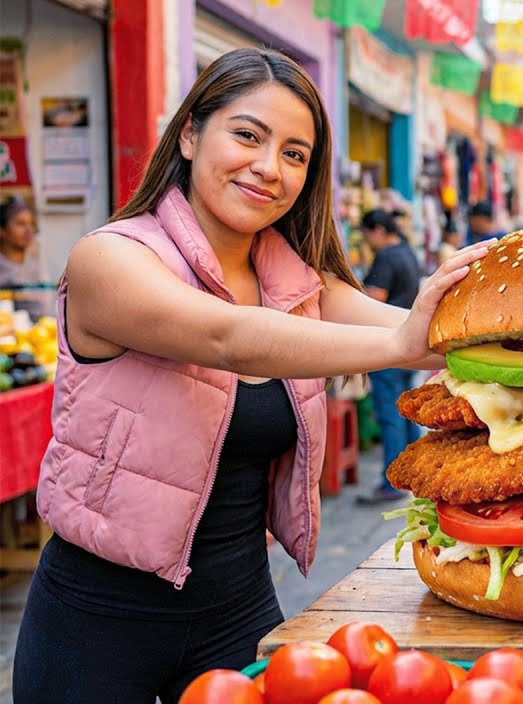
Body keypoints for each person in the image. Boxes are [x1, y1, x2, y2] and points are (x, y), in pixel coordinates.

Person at [12, 48, 488, 703]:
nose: (269, 167)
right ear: (189, 133)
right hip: (97, 619)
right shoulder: (109, 260)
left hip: (241, 608)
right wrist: (404, 344)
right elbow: (229, 338)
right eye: (247, 135)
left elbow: (420, 334)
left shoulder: (296, 281)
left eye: (295, 154)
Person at [357, 209, 424, 504]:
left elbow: (374, 299)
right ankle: (414, 472)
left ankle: (392, 481)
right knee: (408, 412)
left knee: (390, 415)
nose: (367, 241)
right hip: (409, 342)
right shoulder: (407, 252)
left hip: (388, 344)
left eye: (367, 234)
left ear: (378, 231)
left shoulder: (385, 257)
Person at [0, 195, 50, 319]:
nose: (28, 230)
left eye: (31, 224)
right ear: (2, 230)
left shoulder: (35, 264)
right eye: (20, 224)